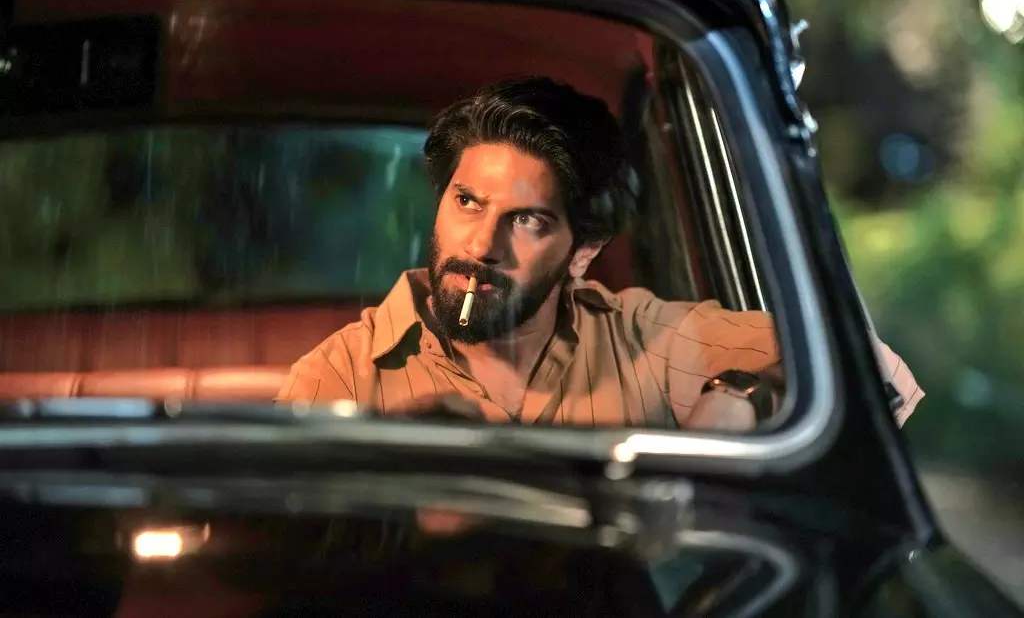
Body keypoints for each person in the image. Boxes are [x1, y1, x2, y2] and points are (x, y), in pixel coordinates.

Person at [276, 77, 923, 430]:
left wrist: (742, 392)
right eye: (467, 201)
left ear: (583, 251)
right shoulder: (340, 376)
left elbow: (876, 372)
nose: (479, 246)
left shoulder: (646, 341)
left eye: (526, 220)